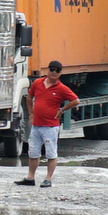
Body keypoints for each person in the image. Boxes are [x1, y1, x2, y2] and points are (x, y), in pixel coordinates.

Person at [16, 60, 79, 188]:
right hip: (36, 125)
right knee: (33, 151)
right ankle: (30, 177)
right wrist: (31, 113)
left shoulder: (61, 88)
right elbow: (29, 96)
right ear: (48, 70)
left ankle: (48, 178)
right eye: (52, 69)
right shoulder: (38, 83)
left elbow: (76, 100)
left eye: (57, 70)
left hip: (51, 126)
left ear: (60, 73)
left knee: (51, 153)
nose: (54, 72)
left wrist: (62, 110)